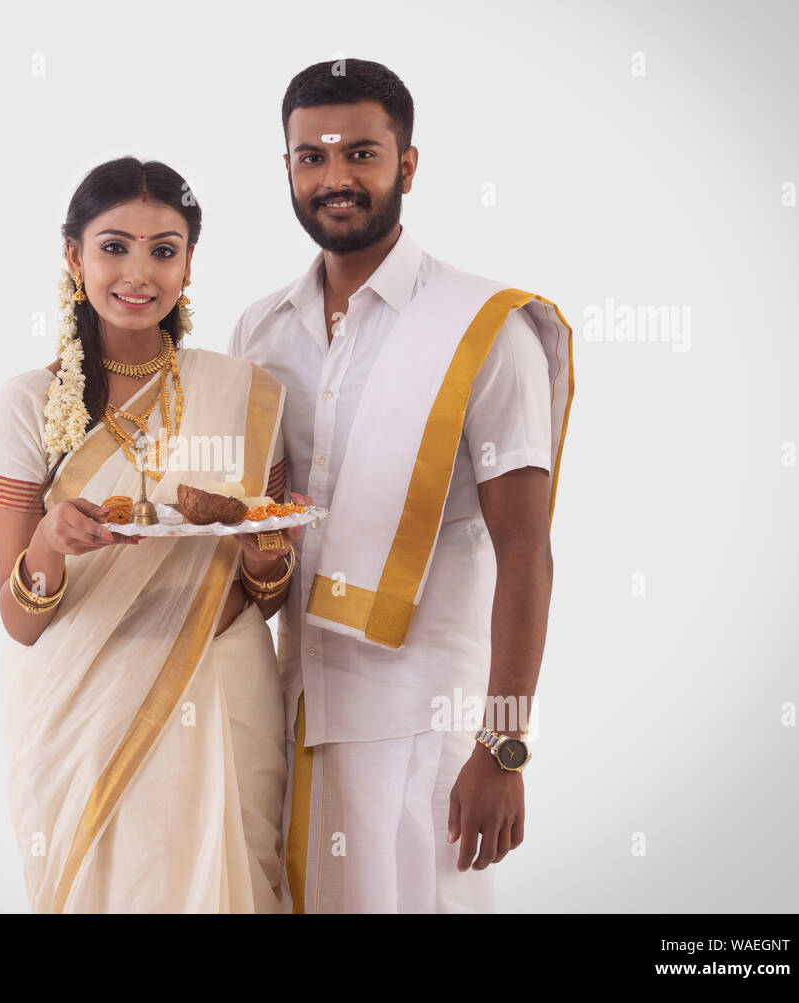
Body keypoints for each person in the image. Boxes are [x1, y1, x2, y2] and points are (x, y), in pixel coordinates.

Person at [230, 59, 575, 913]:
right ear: (287, 170)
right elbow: (255, 526)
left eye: (361, 153)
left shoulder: (484, 328)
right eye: (312, 156)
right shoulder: (260, 330)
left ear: (407, 166)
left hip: (429, 721)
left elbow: (525, 549)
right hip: (297, 709)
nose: (335, 177)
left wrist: (503, 746)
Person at [0, 157, 306, 912]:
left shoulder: (245, 394)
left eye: (164, 249)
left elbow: (269, 591)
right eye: (114, 246)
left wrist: (265, 554)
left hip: (226, 690)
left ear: (190, 262)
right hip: (83, 710)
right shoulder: (26, 405)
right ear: (74, 256)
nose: (138, 271)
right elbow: (18, 619)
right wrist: (51, 546)